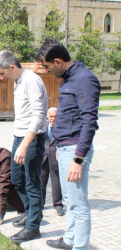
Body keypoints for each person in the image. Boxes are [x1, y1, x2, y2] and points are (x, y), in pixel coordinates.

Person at [37, 38, 100, 249]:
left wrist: (78, 158)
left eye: (46, 66)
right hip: (64, 147)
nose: (45, 71)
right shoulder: (69, 80)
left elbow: (89, 121)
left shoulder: (84, 79)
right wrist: (58, 144)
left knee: (78, 204)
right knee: (70, 200)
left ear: (57, 61)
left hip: (75, 150)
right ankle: (70, 239)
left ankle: (79, 246)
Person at [0, 51, 48, 243]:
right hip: (20, 138)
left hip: (32, 139)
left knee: (32, 183)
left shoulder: (32, 81)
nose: (1, 77)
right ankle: (32, 212)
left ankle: (33, 227)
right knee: (17, 178)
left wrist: (25, 144)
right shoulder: (18, 80)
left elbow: (39, 115)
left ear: (12, 67)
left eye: (2, 73)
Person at [41, 107, 65, 216]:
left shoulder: (62, 128)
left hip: (55, 159)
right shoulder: (43, 126)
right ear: (47, 117)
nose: (53, 118)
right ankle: (40, 204)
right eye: (51, 116)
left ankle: (58, 205)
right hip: (43, 159)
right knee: (41, 183)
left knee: (56, 183)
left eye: (55, 116)